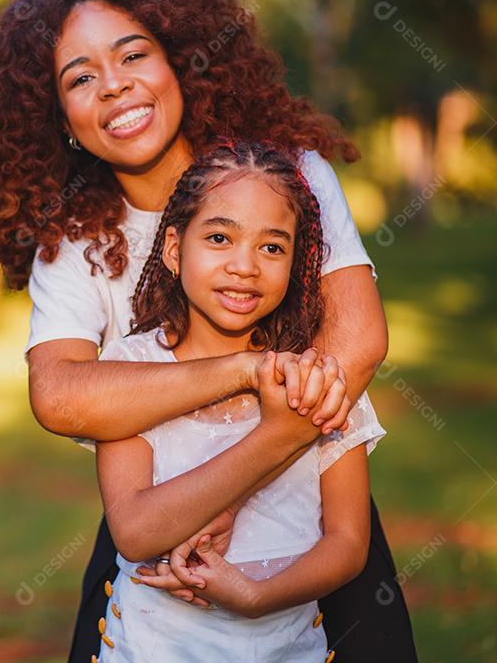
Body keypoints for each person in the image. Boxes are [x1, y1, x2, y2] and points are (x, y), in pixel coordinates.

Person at [0, 0, 417, 661]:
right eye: (80, 78)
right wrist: (242, 373)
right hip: (159, 525)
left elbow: (358, 340)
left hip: (310, 510)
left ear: (180, 61)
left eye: (134, 55)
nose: (114, 87)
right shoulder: (73, 239)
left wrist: (238, 480)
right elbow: (62, 393)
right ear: (60, 118)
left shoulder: (289, 176)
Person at [94, 141, 383, 662]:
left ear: (297, 263)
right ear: (174, 249)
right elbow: (135, 532)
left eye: (272, 247)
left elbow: (347, 541)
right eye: (220, 237)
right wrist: (275, 438)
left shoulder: (317, 380)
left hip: (288, 648)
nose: (245, 266)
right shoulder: (132, 370)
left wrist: (256, 597)